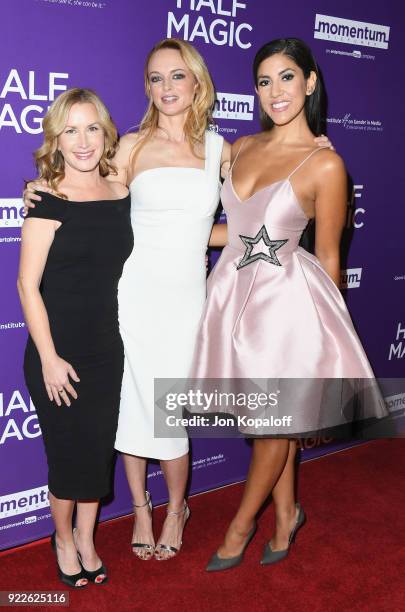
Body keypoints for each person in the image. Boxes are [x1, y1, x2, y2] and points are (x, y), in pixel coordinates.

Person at [23, 37, 332, 562]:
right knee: (130, 410)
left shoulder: (221, 149)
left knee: (169, 413)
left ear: (197, 82)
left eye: (177, 76)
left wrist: (311, 151)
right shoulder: (129, 147)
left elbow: (246, 215)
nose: (166, 87)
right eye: (155, 77)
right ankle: (141, 508)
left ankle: (175, 508)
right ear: (146, 87)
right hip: (129, 297)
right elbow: (91, 202)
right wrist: (40, 188)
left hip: (187, 299)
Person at [189, 38, 388, 571]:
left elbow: (328, 257)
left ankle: (239, 528)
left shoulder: (326, 165)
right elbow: (233, 227)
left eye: (286, 77)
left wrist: (326, 338)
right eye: (263, 81)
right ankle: (286, 516)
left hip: (287, 310)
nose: (275, 91)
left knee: (276, 424)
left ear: (310, 82)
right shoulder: (239, 147)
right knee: (266, 422)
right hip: (231, 297)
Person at [18, 88, 132, 587]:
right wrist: (48, 358)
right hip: (56, 350)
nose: (82, 141)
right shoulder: (45, 196)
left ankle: (87, 537)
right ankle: (62, 539)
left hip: (107, 347)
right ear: (56, 139)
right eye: (70, 130)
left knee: (97, 450)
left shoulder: (122, 190)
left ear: (106, 134)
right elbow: (26, 284)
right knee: (67, 456)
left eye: (91, 128)